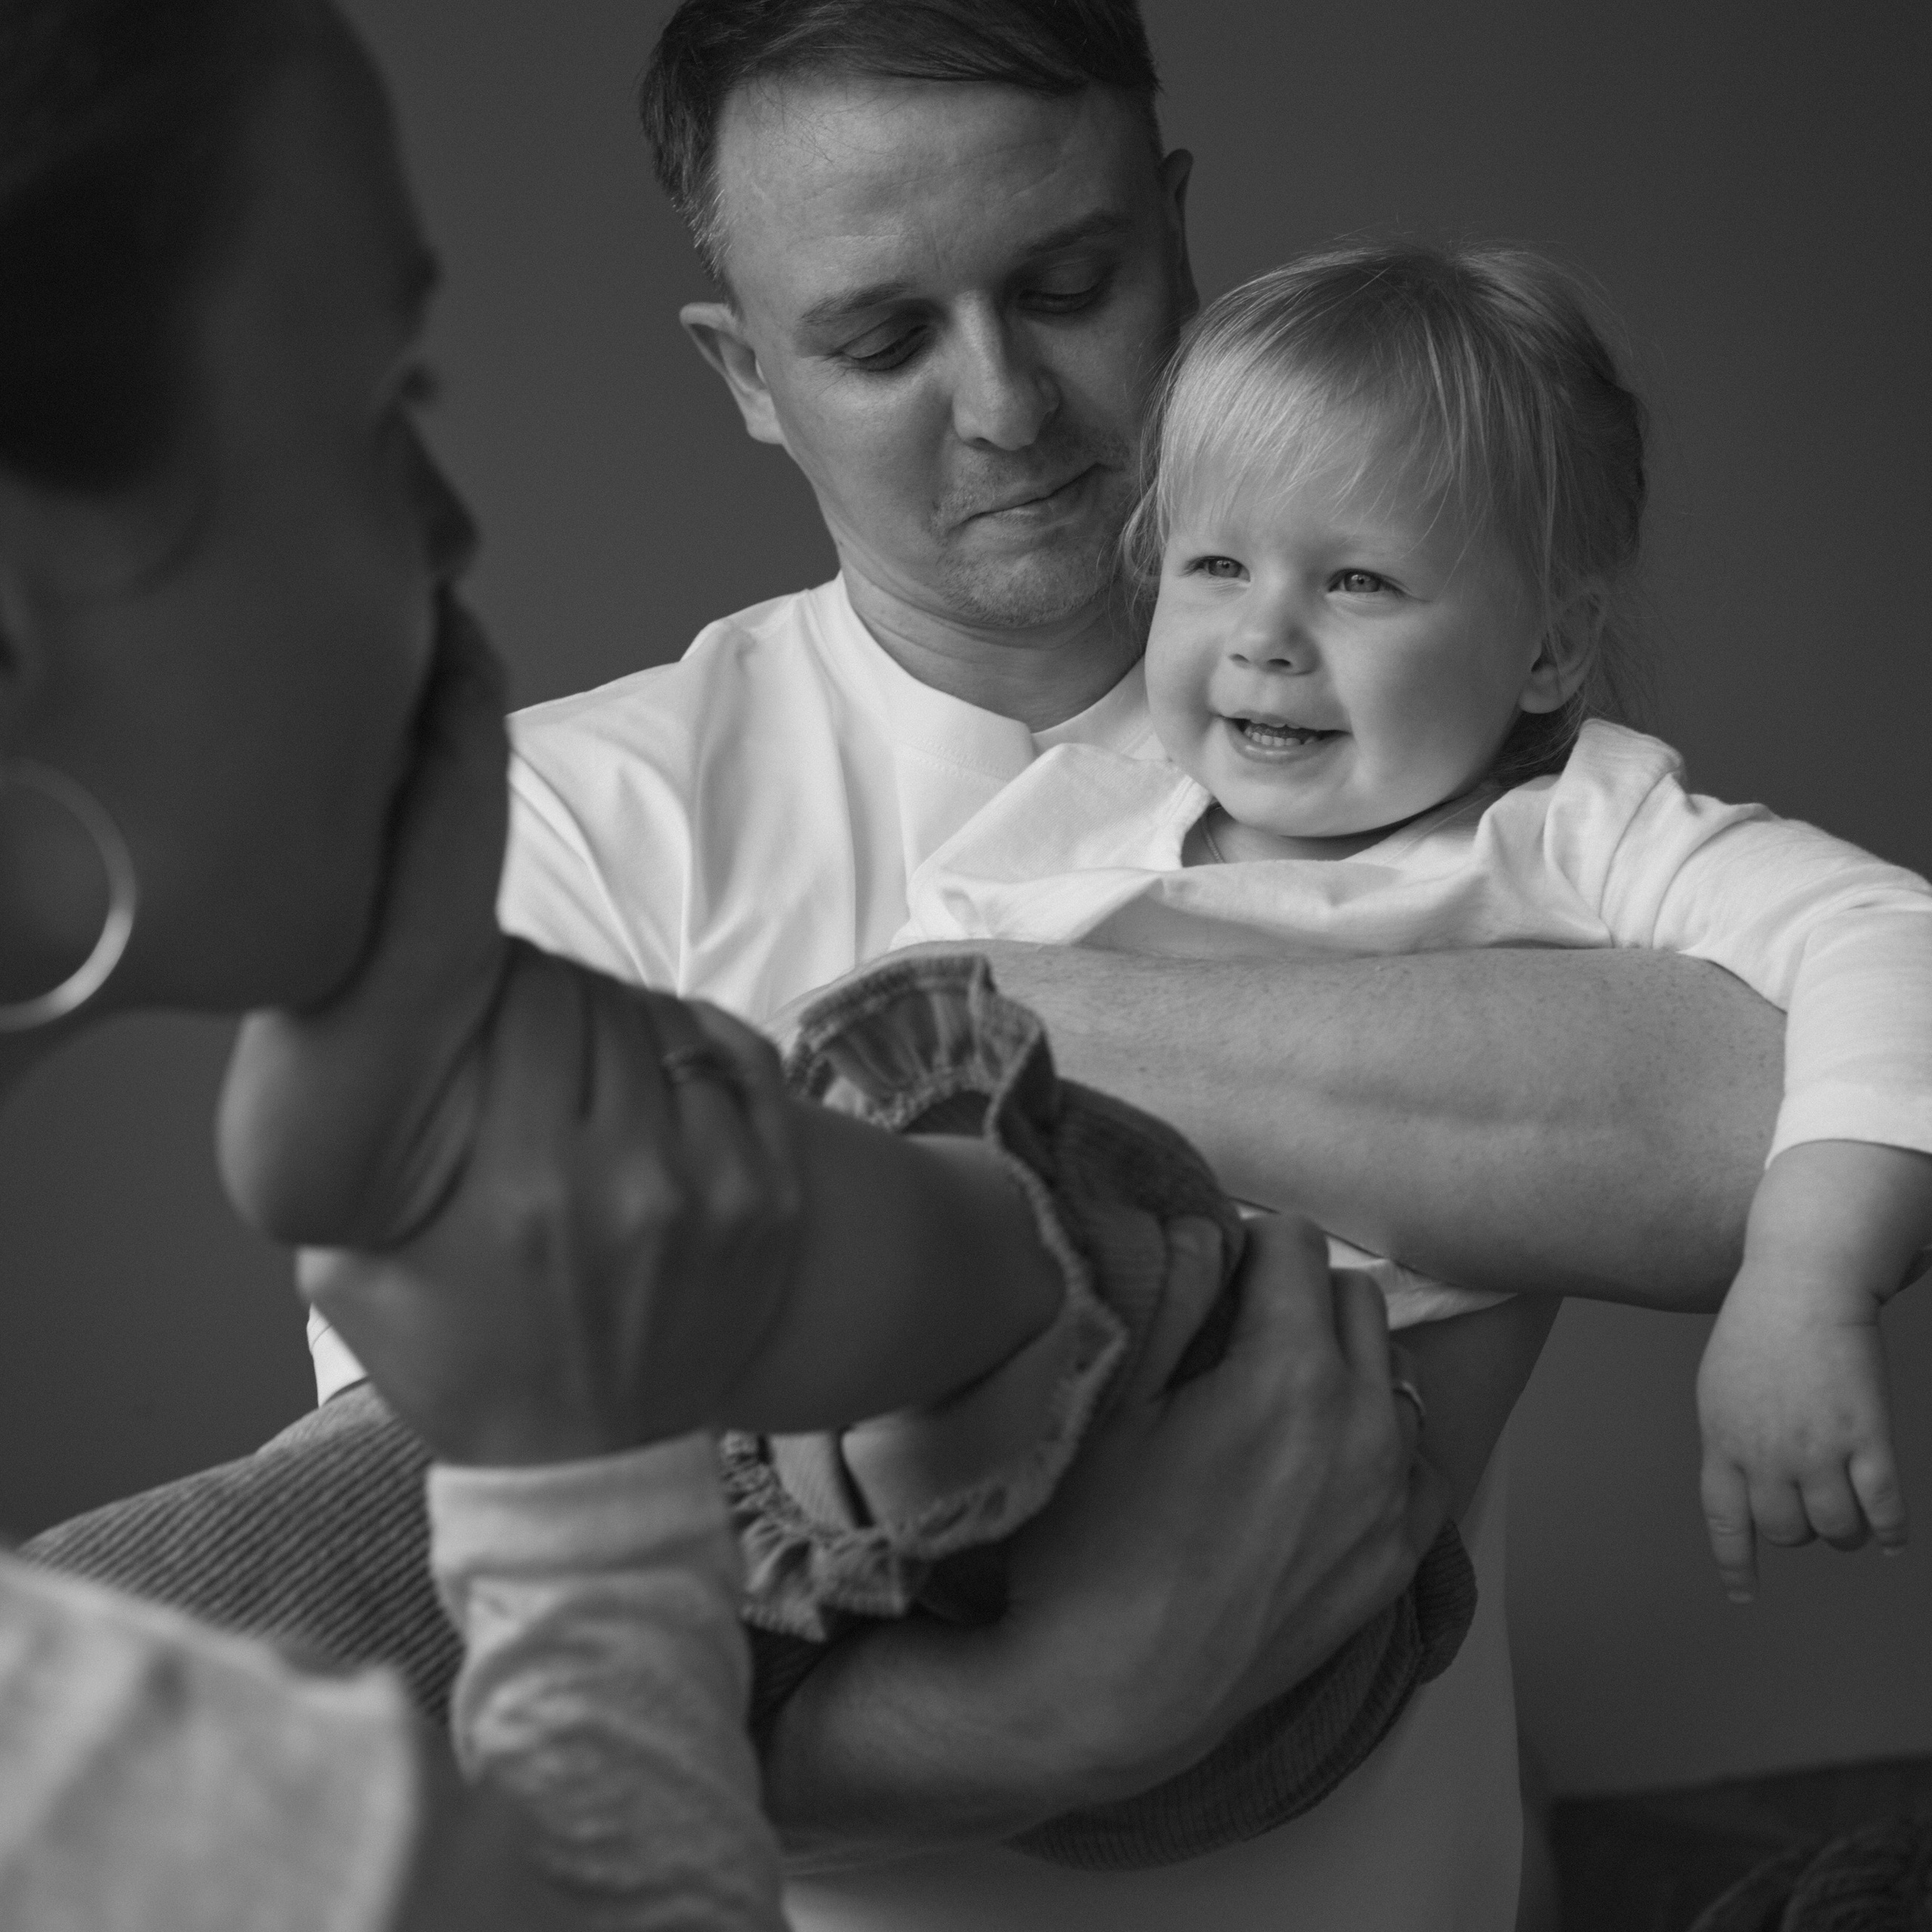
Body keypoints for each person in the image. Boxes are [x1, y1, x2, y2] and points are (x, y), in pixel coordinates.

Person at [438, 2, 1783, 1927]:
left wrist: (994, 1017)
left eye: (1068, 283)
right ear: (744, 371)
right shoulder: (558, 819)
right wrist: (1051, 1715)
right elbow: (478, 1614)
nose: (1003, 407)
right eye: (881, 339)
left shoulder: (1400, 702)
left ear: (1174, 237)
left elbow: (1756, 1119)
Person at [897, 238, 1930, 1603]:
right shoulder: (1076, 820)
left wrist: (1806, 1282)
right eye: (1213, 563)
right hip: (977, 1454)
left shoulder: (1570, 829)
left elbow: (1883, 929)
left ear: (1551, 649)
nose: (1266, 635)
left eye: (1359, 582)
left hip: (1288, 1526)